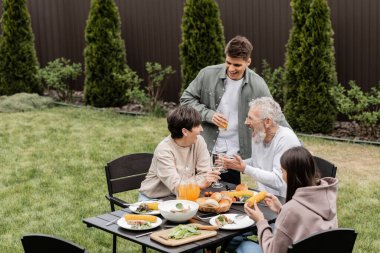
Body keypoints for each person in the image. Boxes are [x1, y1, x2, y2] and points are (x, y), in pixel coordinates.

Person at [180, 35, 290, 185]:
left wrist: (298, 147)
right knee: (194, 195)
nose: (231, 69)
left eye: (237, 65)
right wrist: (209, 115)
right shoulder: (207, 74)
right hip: (203, 149)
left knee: (228, 201)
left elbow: (276, 116)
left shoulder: (258, 84)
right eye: (228, 63)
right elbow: (185, 100)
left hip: (231, 157)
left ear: (248, 62)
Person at [236, 146, 338, 253]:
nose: (282, 175)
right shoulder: (327, 196)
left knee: (242, 245)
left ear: (291, 175)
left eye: (282, 171)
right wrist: (281, 209)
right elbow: (307, 222)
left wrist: (261, 221)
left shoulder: (291, 210)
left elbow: (272, 251)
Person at [138, 105, 220, 201]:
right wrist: (198, 183)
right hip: (154, 200)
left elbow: (206, 174)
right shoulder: (164, 150)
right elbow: (177, 187)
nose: (201, 129)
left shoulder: (199, 141)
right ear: (185, 131)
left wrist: (195, 183)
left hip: (183, 197)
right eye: (197, 126)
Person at [224, 97, 300, 197]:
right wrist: (235, 163)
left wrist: (245, 168)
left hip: (284, 201)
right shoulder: (259, 135)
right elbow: (257, 162)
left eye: (250, 118)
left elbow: (279, 181)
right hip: (264, 197)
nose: (246, 122)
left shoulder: (286, 139)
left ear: (267, 122)